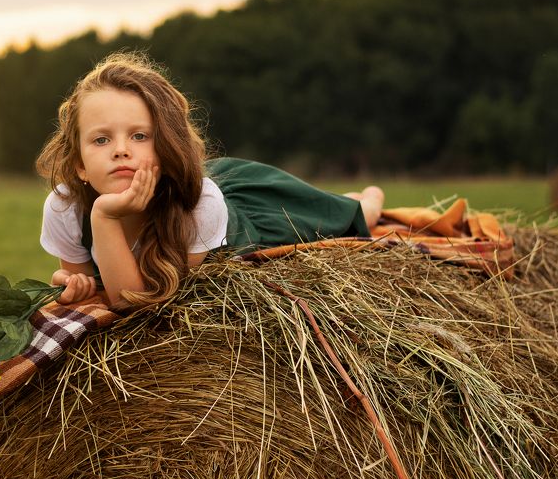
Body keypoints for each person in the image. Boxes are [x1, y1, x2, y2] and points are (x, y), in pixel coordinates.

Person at [35, 52, 384, 307]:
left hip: (246, 219)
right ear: (79, 164)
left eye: (140, 136)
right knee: (328, 205)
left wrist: (105, 215)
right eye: (101, 140)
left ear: (166, 146)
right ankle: (340, 198)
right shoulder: (66, 207)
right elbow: (97, 289)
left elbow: (133, 306)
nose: (121, 150)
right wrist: (76, 286)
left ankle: (368, 196)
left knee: (350, 218)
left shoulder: (199, 206)